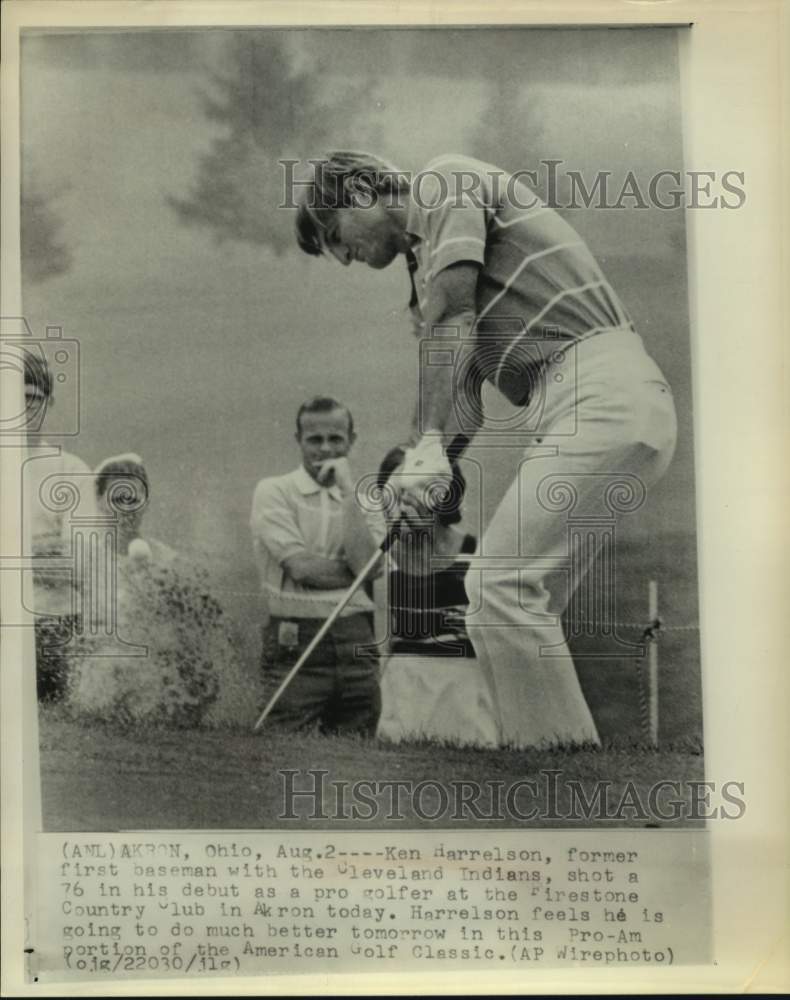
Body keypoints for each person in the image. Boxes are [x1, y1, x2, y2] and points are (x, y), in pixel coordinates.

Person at [293, 151, 678, 748]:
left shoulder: (444, 183)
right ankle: (558, 764)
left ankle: (556, 764)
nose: (344, 257)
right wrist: (423, 469)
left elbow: (455, 319)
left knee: (498, 589)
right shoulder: (428, 267)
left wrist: (426, 451)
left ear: (363, 192)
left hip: (602, 389)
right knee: (514, 604)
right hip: (578, 406)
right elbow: (464, 397)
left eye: (334, 235)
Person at [250, 396, 384, 735]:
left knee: (356, 760)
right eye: (315, 440)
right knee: (282, 751)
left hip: (357, 638)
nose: (325, 449)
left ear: (351, 440)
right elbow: (302, 570)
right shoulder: (274, 490)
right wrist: (358, 571)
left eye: (336, 439)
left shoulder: (365, 499)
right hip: (296, 639)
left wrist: (348, 492)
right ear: (299, 440)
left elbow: (370, 568)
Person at [375, 446, 498, 747]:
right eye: (397, 493)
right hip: (403, 687)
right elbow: (381, 643)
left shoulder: (478, 556)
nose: (406, 503)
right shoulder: (382, 559)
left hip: (465, 684)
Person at [21, 350, 96, 702]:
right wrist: (39, 552)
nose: (22, 408)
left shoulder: (71, 470)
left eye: (31, 398)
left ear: (49, 402)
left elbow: (80, 564)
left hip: (55, 623)